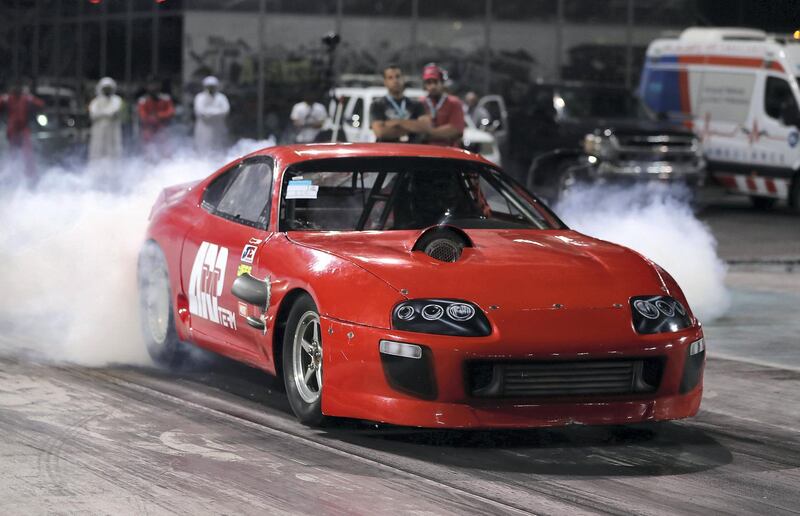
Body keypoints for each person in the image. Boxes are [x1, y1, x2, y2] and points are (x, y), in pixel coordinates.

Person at [370, 64, 430, 143]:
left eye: (398, 76)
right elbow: (380, 132)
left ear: (403, 79)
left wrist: (397, 122)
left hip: (411, 151)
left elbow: (425, 128)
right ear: (385, 82)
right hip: (387, 152)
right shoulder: (377, 105)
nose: (395, 80)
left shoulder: (416, 104)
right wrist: (412, 127)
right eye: (390, 78)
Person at [0, 79, 44, 180]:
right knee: (13, 154)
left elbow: (40, 104)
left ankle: (30, 175)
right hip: (13, 130)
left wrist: (30, 98)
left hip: (23, 130)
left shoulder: (25, 98)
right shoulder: (8, 98)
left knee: (27, 154)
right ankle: (12, 175)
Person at [420, 63, 465, 147]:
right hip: (425, 151)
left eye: (435, 82)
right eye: (429, 82)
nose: (432, 86)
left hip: (449, 151)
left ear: (442, 82)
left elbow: (455, 130)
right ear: (424, 85)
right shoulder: (420, 103)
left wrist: (426, 134)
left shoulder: (454, 102)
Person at [88, 77, 123, 164]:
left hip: (112, 132)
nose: (107, 91)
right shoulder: (96, 101)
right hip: (98, 133)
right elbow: (93, 114)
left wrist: (102, 113)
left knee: (113, 152)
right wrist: (105, 114)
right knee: (97, 152)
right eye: (105, 88)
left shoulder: (116, 100)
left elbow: (113, 112)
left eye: (109, 88)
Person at [137, 77, 175, 156]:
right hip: (148, 129)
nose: (154, 87)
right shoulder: (143, 100)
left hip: (163, 129)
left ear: (160, 86)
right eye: (151, 85)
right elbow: (142, 115)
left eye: (156, 85)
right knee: (149, 151)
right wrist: (151, 119)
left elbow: (171, 111)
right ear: (147, 86)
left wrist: (159, 115)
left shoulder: (166, 98)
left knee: (165, 150)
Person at [193, 75, 230, 154]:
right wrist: (217, 112)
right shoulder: (200, 97)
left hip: (218, 128)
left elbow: (225, 110)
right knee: (203, 149)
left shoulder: (221, 97)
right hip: (204, 129)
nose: (211, 89)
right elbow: (201, 112)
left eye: (212, 86)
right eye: (209, 86)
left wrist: (209, 112)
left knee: (219, 148)